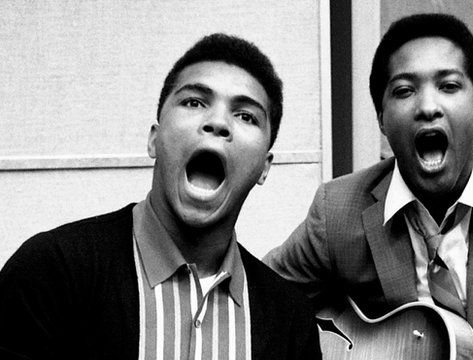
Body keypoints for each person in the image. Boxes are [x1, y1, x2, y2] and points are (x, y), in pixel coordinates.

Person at [264, 13, 473, 359]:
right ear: (382, 119)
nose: (428, 107)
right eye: (404, 90)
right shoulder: (337, 210)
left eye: (449, 86)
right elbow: (256, 302)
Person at [0, 33, 321, 359]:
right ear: (154, 139)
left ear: (264, 168)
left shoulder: (290, 319)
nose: (218, 122)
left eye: (245, 116)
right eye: (194, 102)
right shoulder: (53, 271)